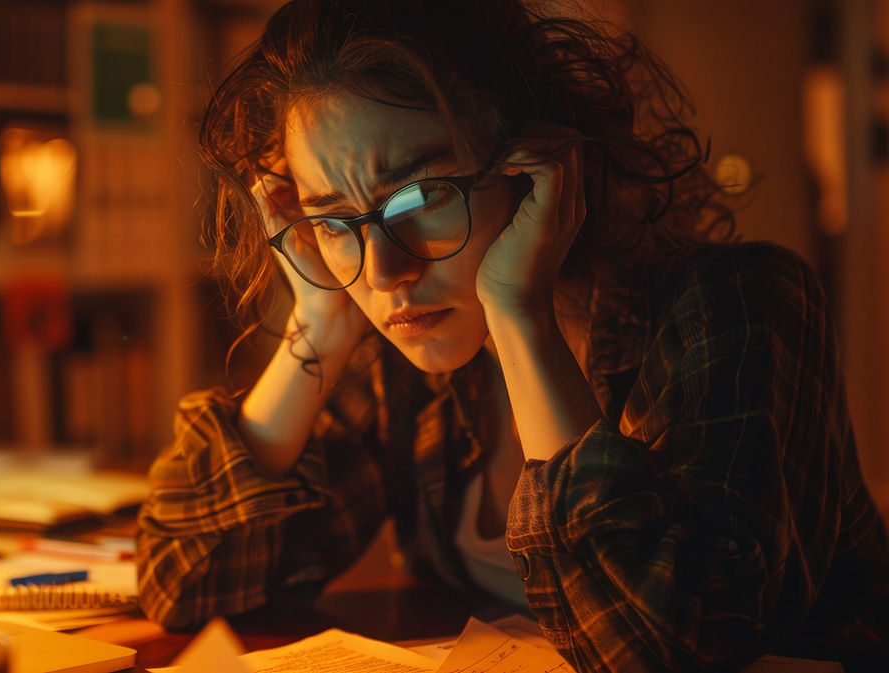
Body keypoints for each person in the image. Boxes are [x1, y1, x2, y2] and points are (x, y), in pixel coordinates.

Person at [135, 0, 889, 670]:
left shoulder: (739, 306)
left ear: (536, 167)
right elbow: (186, 576)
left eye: (422, 195)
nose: (385, 268)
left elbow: (673, 642)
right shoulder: (414, 356)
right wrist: (318, 321)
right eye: (334, 221)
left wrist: (520, 317)